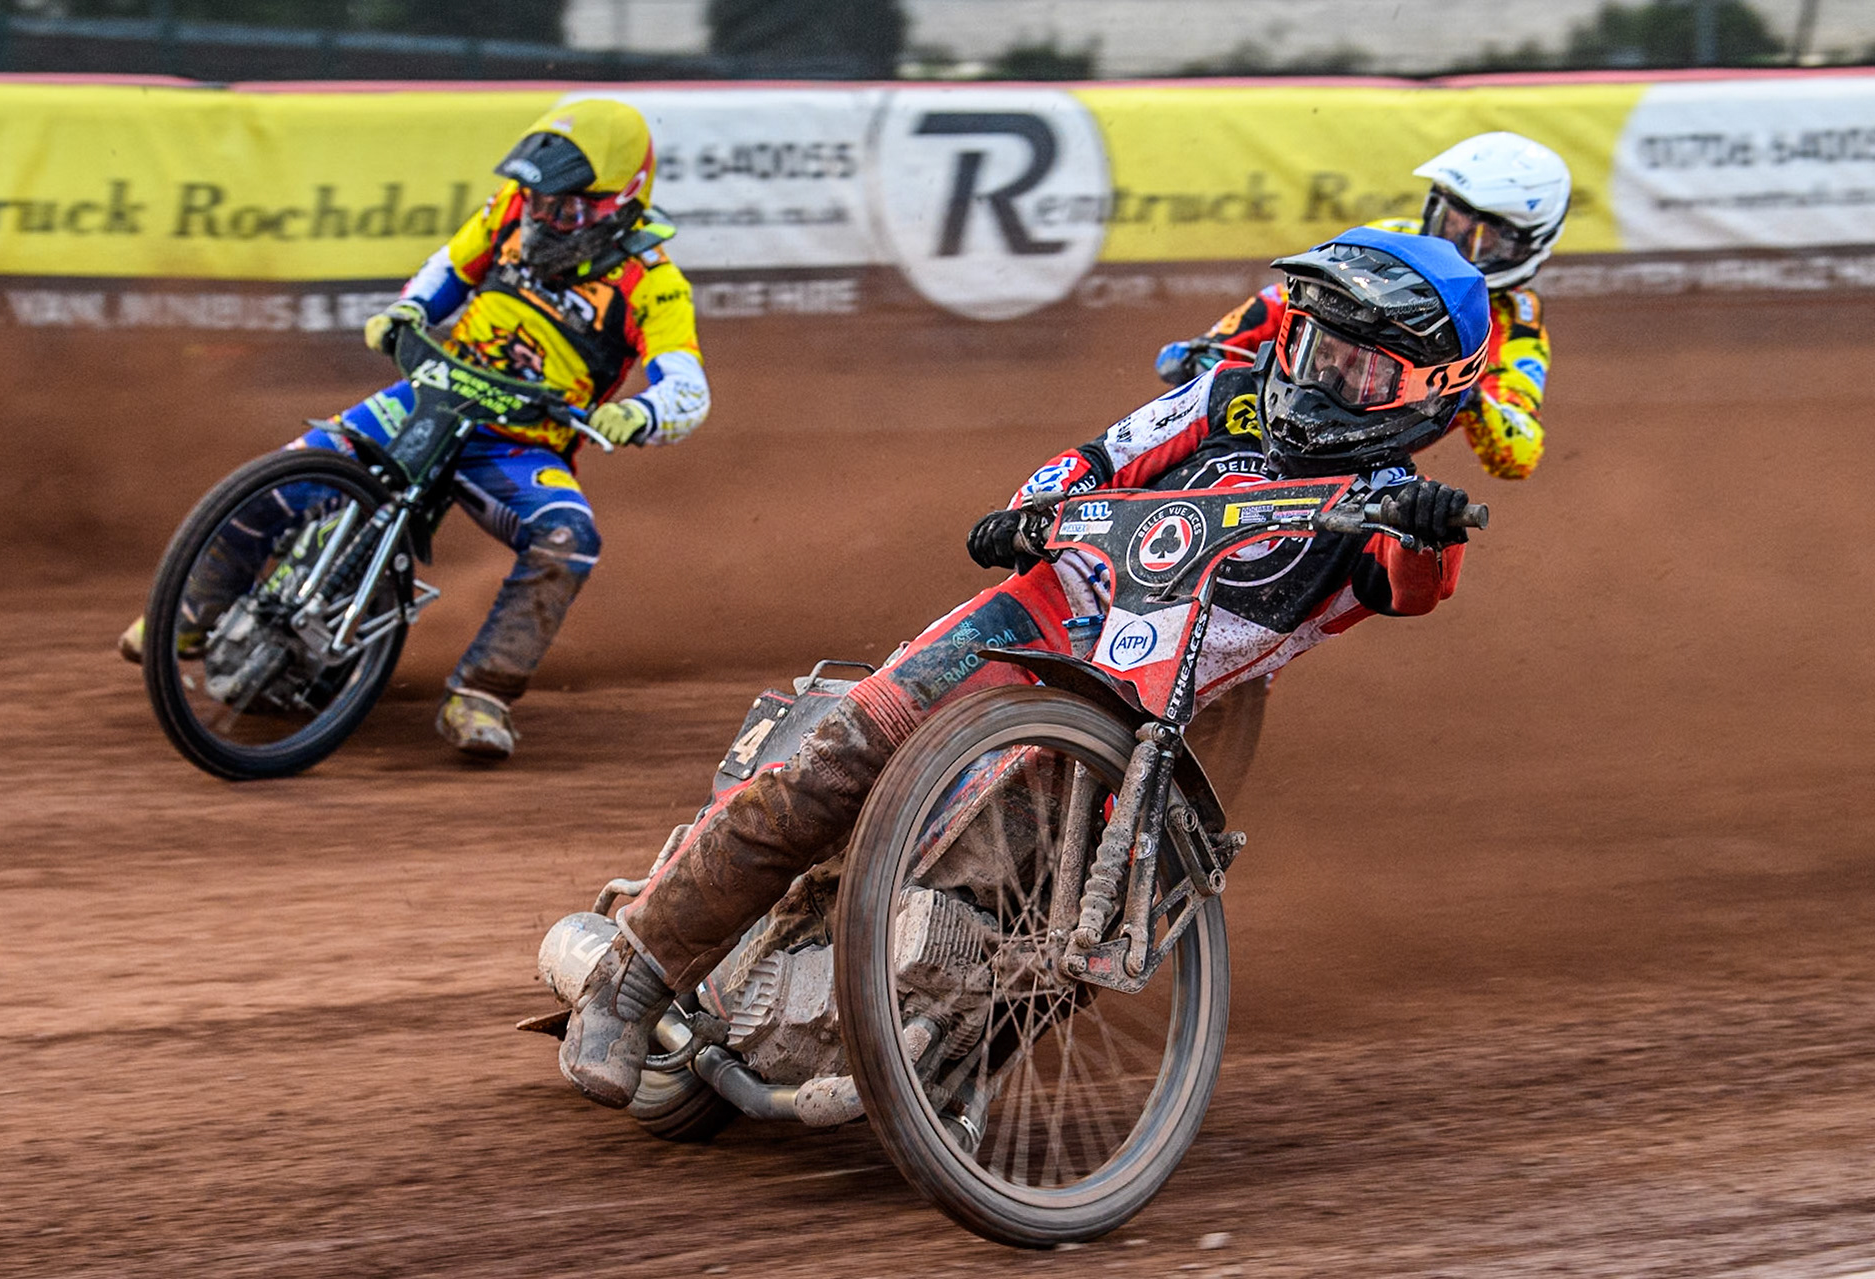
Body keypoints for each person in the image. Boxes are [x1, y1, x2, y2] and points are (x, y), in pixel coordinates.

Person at [553, 225, 1491, 1108]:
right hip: (1047, 610)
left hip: (1200, 707)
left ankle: (954, 1076)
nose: (1322, 374)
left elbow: (1409, 588)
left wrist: (1427, 526)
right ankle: (631, 982)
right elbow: (1101, 453)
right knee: (847, 750)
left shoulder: (1396, 506)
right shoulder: (1226, 396)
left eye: (1358, 365)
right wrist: (1036, 506)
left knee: (1105, 913)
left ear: (1430, 391)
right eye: (1317, 345)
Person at [120, 99, 710, 761]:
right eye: (539, 198)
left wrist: (641, 413)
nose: (542, 214)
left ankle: (482, 693)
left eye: (565, 207)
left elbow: (687, 386)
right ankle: (191, 612)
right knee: (284, 473)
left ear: (620, 200)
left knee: (568, 536)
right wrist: (409, 310)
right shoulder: (509, 212)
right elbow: (450, 268)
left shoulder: (653, 284)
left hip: (519, 442)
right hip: (428, 394)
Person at [1155, 132, 1568, 482]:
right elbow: (1298, 292)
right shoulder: (1393, 240)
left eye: (1484, 239)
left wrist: (1470, 397)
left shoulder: (1515, 322)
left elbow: (1520, 454)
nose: (1457, 243)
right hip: (1284, 409)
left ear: (1525, 245)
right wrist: (1216, 342)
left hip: (1367, 465)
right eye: (1449, 219)